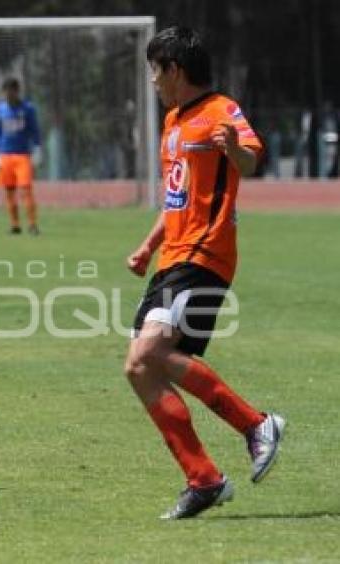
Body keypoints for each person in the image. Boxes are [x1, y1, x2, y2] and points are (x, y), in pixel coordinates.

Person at [124, 26, 284, 520]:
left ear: (175, 70)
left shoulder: (221, 110)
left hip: (206, 256)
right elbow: (176, 197)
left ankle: (256, 425)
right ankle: (204, 479)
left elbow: (251, 162)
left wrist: (234, 148)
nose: (152, 80)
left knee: (152, 352)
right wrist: (149, 245)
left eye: (155, 70)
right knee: (138, 368)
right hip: (173, 257)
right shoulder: (173, 121)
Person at [0, 77, 42, 235]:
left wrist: (38, 148)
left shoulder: (28, 109)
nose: (8, 95)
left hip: (22, 155)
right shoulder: (0, 110)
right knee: (9, 190)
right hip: (5, 154)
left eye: (11, 91)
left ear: (17, 91)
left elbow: (35, 130)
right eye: (5, 92)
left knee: (26, 189)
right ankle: (15, 225)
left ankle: (32, 224)